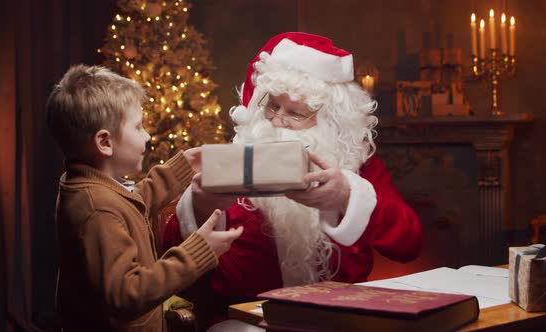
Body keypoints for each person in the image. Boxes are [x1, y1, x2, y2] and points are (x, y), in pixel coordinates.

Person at [162, 32, 424, 329]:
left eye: (296, 112)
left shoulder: (359, 168)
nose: (278, 120)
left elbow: (409, 244)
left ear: (332, 120)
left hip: (336, 322)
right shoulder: (235, 163)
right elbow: (175, 270)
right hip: (243, 322)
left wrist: (348, 197)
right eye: (272, 106)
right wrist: (200, 206)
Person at [46, 64, 243, 331]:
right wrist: (197, 252)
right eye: (138, 127)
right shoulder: (97, 209)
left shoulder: (91, 187)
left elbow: (130, 201)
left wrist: (182, 166)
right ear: (105, 143)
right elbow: (127, 294)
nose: (148, 135)